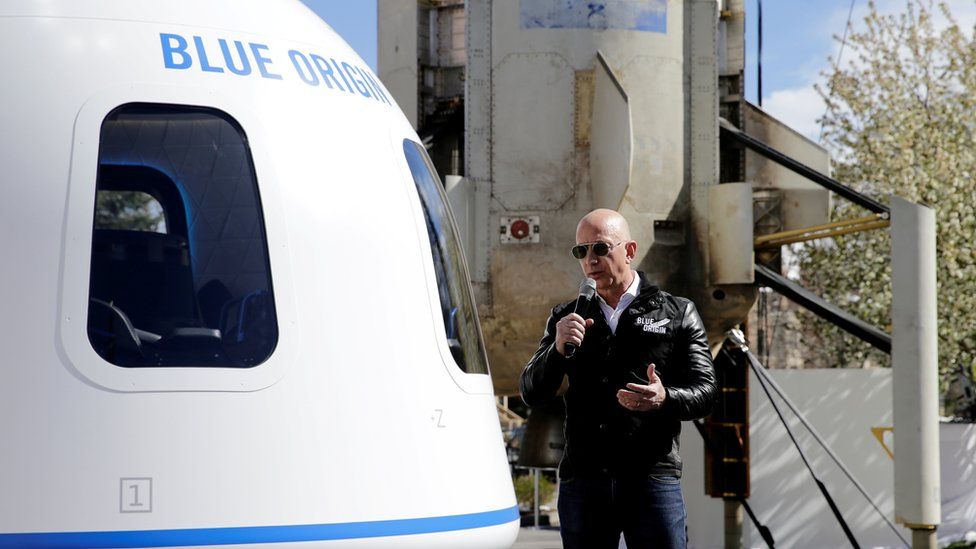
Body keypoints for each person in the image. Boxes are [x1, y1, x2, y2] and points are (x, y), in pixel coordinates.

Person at [520, 209, 716, 549]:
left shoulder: (677, 312)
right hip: (584, 482)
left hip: (652, 477)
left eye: (600, 248)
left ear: (629, 250)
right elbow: (532, 392)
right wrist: (557, 349)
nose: (590, 259)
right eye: (581, 251)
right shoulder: (567, 316)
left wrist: (664, 397)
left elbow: (707, 392)